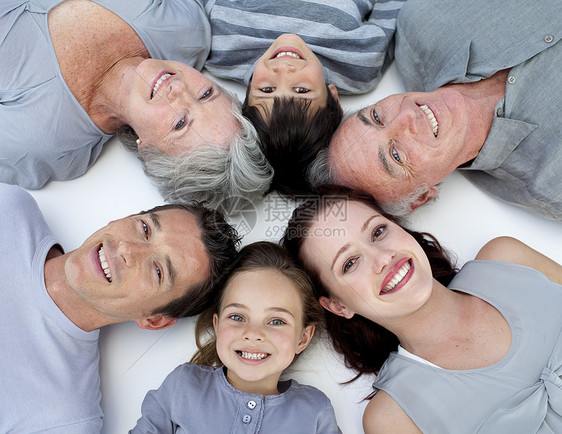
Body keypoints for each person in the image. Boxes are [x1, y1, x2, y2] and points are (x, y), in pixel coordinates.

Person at [282, 186, 562, 432]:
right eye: (350, 263)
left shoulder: (506, 259)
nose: (383, 258)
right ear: (338, 306)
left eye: (378, 232)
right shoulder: (393, 417)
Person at [0, 183, 239, 433]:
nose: (127, 249)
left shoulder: (62, 419)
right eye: (144, 228)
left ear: (155, 320)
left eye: (158, 271)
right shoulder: (10, 207)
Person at [0, 0, 272, 210]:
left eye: (180, 123)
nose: (179, 90)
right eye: (205, 93)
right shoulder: (184, 31)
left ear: (149, 152)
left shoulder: (41, 141)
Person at [311, 0, 562, 220]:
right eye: (396, 156)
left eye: (377, 117)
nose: (406, 115)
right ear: (422, 197)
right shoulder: (553, 182)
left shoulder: (421, 23)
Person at [130, 241, 342, 433]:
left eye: (276, 321)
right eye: (237, 316)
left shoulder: (315, 411)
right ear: (217, 325)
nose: (253, 334)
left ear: (302, 339)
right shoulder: (183, 386)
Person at [202, 0, 405, 195]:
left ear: (246, 94)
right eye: (301, 90)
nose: (283, 70)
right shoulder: (359, 62)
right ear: (333, 98)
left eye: (266, 89)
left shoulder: (224, 48)